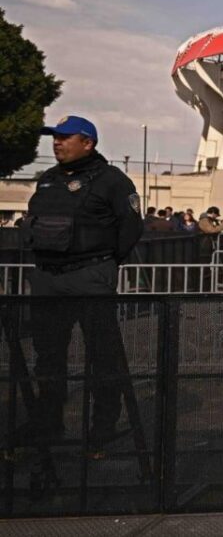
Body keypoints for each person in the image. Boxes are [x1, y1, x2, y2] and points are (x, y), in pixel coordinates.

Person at [16, 115, 144, 449]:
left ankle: (103, 427)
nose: (57, 142)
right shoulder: (47, 180)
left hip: (89, 277)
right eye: (55, 137)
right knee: (48, 358)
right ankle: (47, 423)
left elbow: (130, 227)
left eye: (65, 137)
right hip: (48, 278)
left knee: (103, 356)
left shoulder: (112, 180)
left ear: (87, 143)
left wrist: (102, 262)